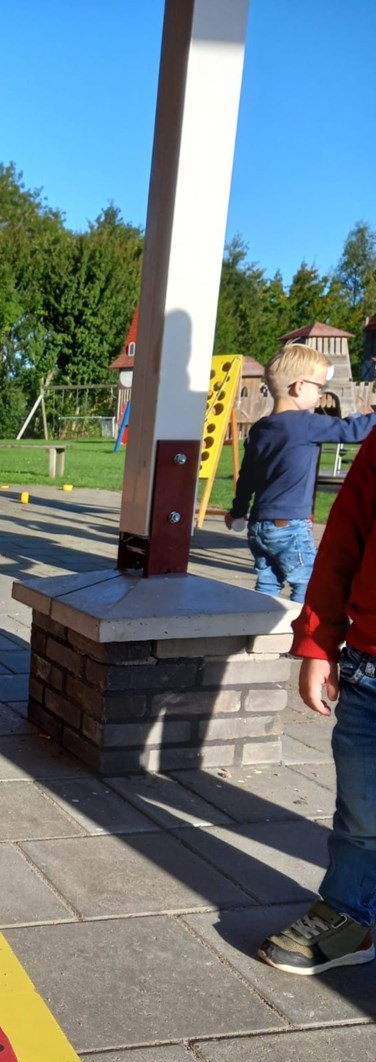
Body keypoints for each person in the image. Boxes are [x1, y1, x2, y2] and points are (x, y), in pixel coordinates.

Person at [257, 421, 376, 974]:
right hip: (370, 669)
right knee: (361, 815)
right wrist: (318, 641)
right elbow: (342, 543)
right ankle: (350, 916)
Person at [225, 344, 373, 602]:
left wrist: (237, 512)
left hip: (258, 527)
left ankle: (258, 632)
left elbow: (246, 478)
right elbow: (353, 431)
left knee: (268, 584)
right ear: (299, 386)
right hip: (290, 526)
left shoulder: (260, 429)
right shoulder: (306, 423)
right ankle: (298, 634)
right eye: (319, 388)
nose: (320, 396)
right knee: (309, 584)